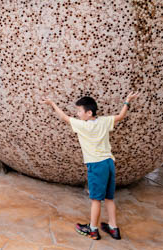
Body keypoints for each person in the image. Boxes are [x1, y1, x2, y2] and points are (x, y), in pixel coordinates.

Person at [43, 91, 139, 240]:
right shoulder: (104, 121)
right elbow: (121, 116)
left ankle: (93, 230)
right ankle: (114, 228)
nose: (77, 113)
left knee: (96, 200)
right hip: (108, 163)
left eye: (79, 111)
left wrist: (52, 104)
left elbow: (64, 117)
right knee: (109, 198)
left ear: (88, 113)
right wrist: (127, 101)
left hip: (96, 165)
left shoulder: (83, 126)